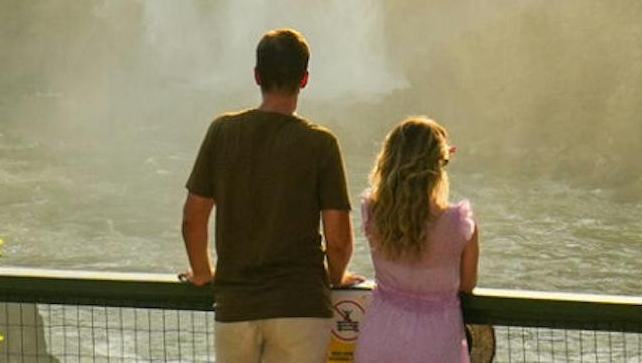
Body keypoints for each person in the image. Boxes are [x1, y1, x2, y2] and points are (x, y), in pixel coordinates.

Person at [184, 28, 361, 363]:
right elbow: (338, 239)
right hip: (301, 307)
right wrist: (337, 278)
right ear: (305, 79)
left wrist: (203, 273)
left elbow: (193, 218)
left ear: (256, 76)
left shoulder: (222, 132)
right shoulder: (320, 144)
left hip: (236, 307)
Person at [353, 117, 478, 363]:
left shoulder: (374, 212)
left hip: (381, 334)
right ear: (437, 166)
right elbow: (467, 284)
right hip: (437, 340)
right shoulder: (458, 222)